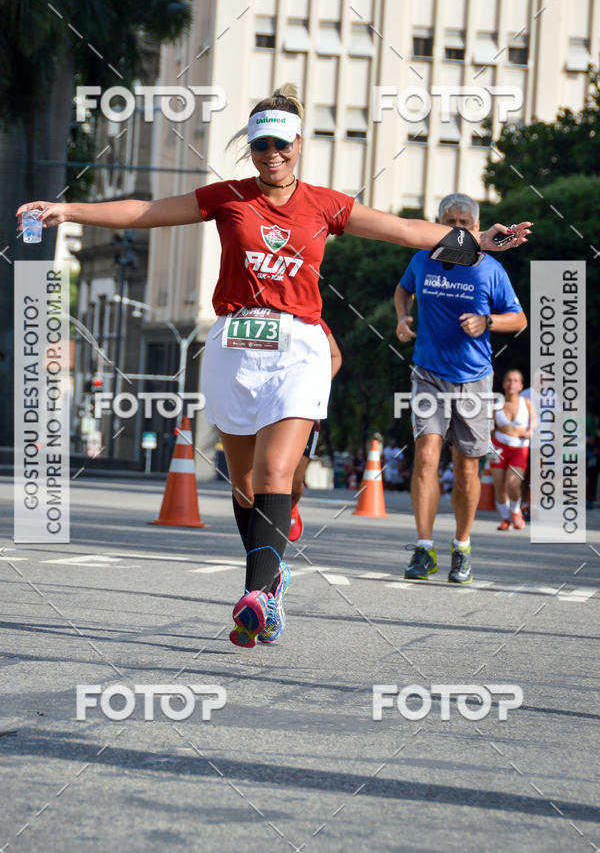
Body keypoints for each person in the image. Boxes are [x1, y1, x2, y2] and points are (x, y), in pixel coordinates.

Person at [18, 88, 530, 646]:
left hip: (298, 348)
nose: (272, 154)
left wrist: (473, 242)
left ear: (298, 145)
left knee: (273, 475)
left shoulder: (323, 204)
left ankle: (256, 596)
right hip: (233, 345)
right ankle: (272, 582)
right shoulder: (227, 197)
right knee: (241, 486)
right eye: (261, 144)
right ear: (253, 146)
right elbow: (146, 212)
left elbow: (405, 230)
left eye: (281, 144)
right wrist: (66, 210)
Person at [395, 192, 529, 584]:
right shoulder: (422, 259)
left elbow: (519, 318)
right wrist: (403, 319)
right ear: (438, 225)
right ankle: (423, 549)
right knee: (426, 455)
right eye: (448, 224)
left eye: (463, 224)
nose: (455, 231)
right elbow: (403, 290)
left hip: (473, 378)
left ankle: (462, 546)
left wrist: (486, 322)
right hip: (428, 373)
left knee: (467, 466)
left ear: (476, 227)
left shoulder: (491, 270)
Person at [289, 320, 342, 541]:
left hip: (303, 404)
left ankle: (291, 506)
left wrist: (319, 384)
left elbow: (335, 356)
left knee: (294, 479)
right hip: (266, 403)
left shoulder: (313, 319)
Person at [491, 369, 536, 530]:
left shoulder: (527, 403)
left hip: (519, 448)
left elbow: (534, 420)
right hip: (499, 447)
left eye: (515, 381)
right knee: (499, 486)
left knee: (512, 483)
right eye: (508, 380)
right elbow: (489, 426)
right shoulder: (496, 404)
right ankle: (505, 519)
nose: (511, 384)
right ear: (503, 384)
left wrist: (531, 430)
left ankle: (516, 511)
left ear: (521, 385)